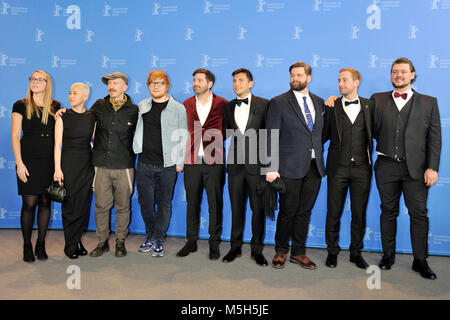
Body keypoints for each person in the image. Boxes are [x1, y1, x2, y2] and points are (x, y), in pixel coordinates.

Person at [371, 58, 441, 279]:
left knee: (419, 214)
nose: (398, 75)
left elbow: (435, 139)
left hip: (417, 170)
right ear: (390, 75)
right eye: (394, 72)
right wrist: (336, 99)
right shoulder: (377, 100)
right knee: (388, 212)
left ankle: (420, 260)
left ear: (412, 75)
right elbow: (363, 124)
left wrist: (432, 167)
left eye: (403, 72)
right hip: (385, 167)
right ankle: (388, 255)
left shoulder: (429, 102)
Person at [58, 72, 138, 257]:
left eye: (115, 83)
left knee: (123, 206)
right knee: (101, 206)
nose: (111, 86)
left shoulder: (134, 110)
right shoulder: (99, 106)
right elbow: (80, 115)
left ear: (124, 87)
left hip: (124, 165)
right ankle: (102, 242)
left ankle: (120, 242)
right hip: (100, 165)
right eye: (109, 83)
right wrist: (62, 111)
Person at [266, 62, 325, 270]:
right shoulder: (279, 102)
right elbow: (271, 135)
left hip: (314, 166)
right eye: (292, 75)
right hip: (288, 167)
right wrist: (270, 168)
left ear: (309, 78)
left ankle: (298, 253)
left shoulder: (319, 102)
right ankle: (281, 251)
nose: (294, 78)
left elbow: (318, 134)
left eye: (299, 75)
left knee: (304, 212)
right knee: (287, 211)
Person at [322, 68, 373, 269]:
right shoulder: (332, 107)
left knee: (359, 213)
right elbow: (322, 135)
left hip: (362, 169)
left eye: (344, 80)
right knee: (333, 212)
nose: (340, 84)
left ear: (357, 82)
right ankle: (332, 251)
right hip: (337, 169)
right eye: (339, 80)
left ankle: (355, 252)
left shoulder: (370, 106)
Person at [133, 70, 188, 257]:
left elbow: (183, 136)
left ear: (167, 85)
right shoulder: (142, 106)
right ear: (148, 86)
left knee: (164, 203)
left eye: (160, 83)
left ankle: (158, 238)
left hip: (168, 165)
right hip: (144, 163)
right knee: (145, 202)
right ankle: (150, 235)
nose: (156, 86)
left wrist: (180, 162)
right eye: (152, 83)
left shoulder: (178, 109)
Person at [176, 68, 228, 260]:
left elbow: (230, 129)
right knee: (192, 203)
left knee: (215, 204)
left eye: (199, 80)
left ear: (209, 83)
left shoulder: (223, 104)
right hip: (191, 161)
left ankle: (214, 243)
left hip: (215, 161)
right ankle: (191, 242)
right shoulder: (186, 104)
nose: (195, 83)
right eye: (194, 80)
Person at [11, 70, 60, 262]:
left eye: (40, 79)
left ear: (47, 83)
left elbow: (60, 133)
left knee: (46, 202)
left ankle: (40, 244)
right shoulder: (20, 105)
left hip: (48, 160)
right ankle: (26, 245)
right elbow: (15, 136)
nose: (35, 82)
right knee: (29, 203)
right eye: (32, 78)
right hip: (28, 159)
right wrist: (19, 163)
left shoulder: (55, 106)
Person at [222, 68, 269, 266]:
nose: (236, 84)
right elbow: (224, 133)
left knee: (258, 209)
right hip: (234, 166)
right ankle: (235, 248)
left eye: (240, 80)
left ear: (250, 83)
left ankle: (257, 250)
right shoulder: (228, 106)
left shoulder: (265, 105)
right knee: (236, 208)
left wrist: (269, 166)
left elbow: (270, 134)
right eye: (234, 81)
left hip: (257, 166)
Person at [54, 82, 95, 259]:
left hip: (86, 164)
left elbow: (94, 139)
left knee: (82, 206)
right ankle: (69, 245)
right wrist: (57, 168)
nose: (71, 96)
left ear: (85, 97)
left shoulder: (92, 116)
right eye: (70, 92)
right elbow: (57, 145)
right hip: (68, 163)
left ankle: (77, 240)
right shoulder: (63, 116)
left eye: (75, 93)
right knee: (70, 206)